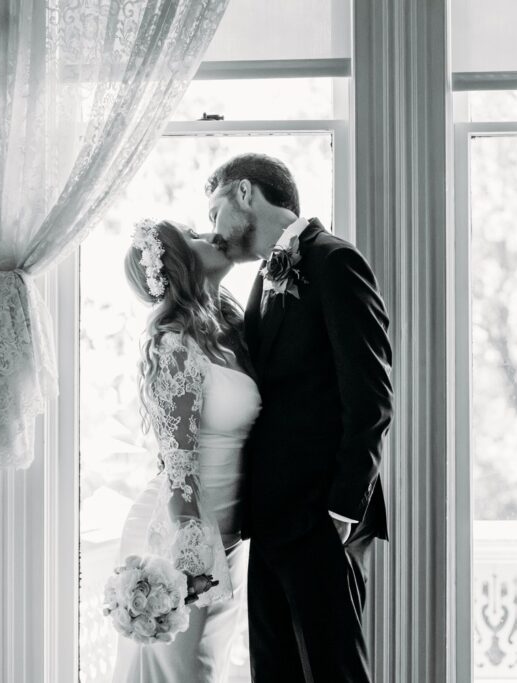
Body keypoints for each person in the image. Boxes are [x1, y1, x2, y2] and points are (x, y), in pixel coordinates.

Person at [207, 153, 393, 682]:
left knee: (335, 672)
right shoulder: (262, 277)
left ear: (245, 193)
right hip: (268, 519)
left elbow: (372, 397)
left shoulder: (335, 261)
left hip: (318, 516)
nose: (216, 234)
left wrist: (341, 510)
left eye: (216, 212)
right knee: (274, 670)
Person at [113, 218, 261, 682]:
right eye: (194, 236)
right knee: (188, 675)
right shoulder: (174, 345)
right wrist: (196, 565)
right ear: (180, 264)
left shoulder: (230, 332)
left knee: (207, 671)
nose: (210, 235)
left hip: (230, 538)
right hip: (182, 536)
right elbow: (179, 468)